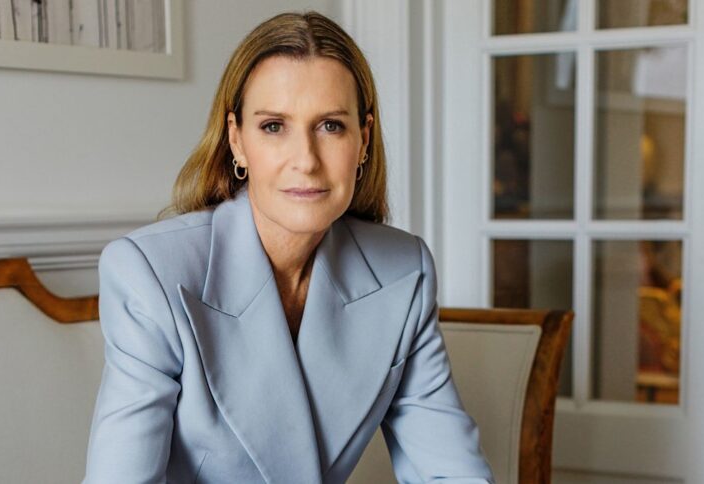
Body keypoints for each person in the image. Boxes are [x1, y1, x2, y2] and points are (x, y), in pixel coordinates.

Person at [83, 10, 493, 484]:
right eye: (274, 126)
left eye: (331, 126)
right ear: (237, 140)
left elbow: (452, 473)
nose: (306, 160)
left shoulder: (403, 271)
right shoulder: (149, 273)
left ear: (363, 140)